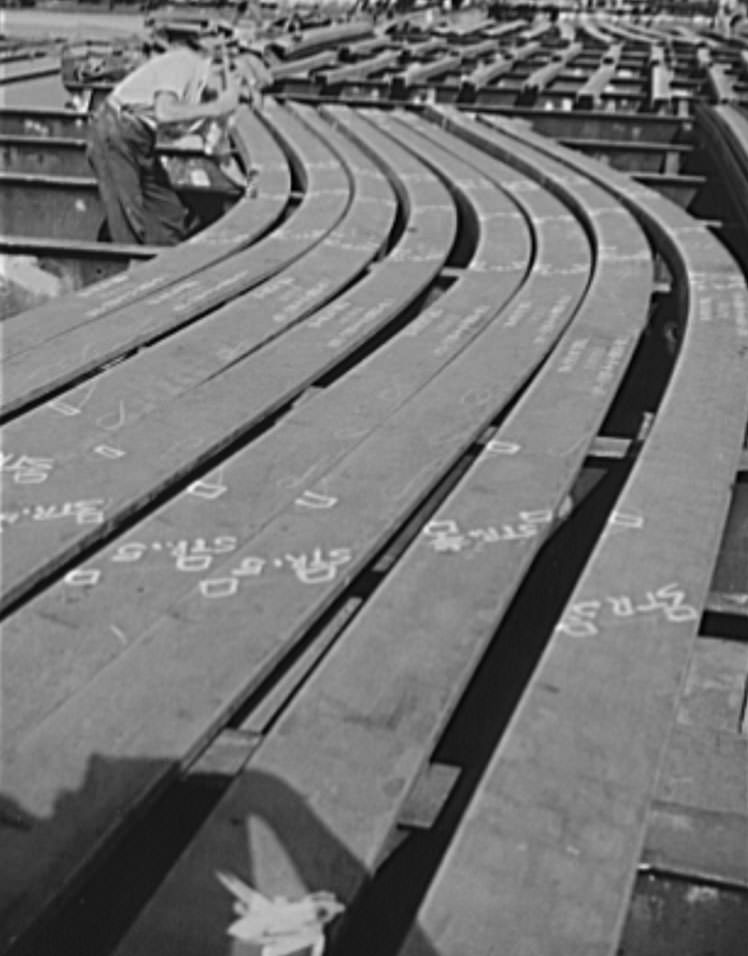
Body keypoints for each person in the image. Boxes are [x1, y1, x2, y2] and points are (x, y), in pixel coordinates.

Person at [86, 41, 242, 246]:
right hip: (116, 129)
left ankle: (167, 262)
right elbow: (165, 111)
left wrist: (246, 186)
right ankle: (130, 270)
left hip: (142, 139)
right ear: (217, 69)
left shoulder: (206, 102)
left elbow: (221, 156)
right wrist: (217, 107)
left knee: (168, 213)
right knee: (128, 218)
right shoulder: (185, 64)